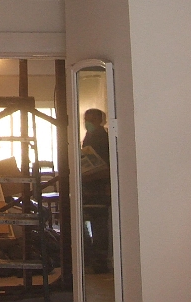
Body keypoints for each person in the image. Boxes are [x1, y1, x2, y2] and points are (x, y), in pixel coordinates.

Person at [81, 108, 111, 274]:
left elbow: (105, 166)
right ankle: (90, 258)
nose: (88, 123)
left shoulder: (102, 139)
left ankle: (99, 261)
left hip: (99, 187)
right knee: (90, 222)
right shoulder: (89, 137)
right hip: (89, 187)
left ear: (100, 121)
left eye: (91, 120)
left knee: (99, 225)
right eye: (86, 120)